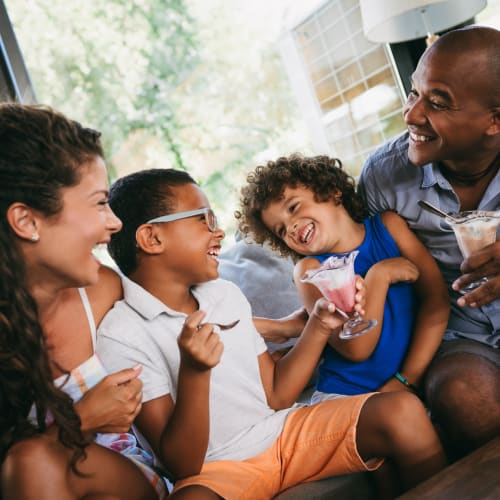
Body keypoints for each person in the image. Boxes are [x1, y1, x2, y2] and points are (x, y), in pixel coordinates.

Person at [96, 167, 447, 499]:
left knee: (402, 410)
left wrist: (319, 325)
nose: (217, 232)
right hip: (217, 469)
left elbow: (277, 395)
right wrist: (195, 372)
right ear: (152, 237)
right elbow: (181, 464)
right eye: (204, 220)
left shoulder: (224, 294)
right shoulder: (120, 335)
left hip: (283, 433)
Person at [0, 103, 166, 499]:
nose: (115, 222)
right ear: (27, 221)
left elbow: (177, 317)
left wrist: (284, 328)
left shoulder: (103, 289)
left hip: (126, 480)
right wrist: (84, 419)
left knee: (33, 461)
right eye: (98, 203)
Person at [357, 25, 500, 460]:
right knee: (461, 396)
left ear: (494, 120)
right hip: (463, 334)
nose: (413, 115)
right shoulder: (384, 177)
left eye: (437, 103)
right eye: (413, 93)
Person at [236, 154, 449, 403]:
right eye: (281, 230)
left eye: (293, 208)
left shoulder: (389, 227)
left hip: (408, 381)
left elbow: (437, 302)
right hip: (346, 394)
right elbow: (356, 349)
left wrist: (407, 378)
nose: (291, 227)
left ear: (333, 191)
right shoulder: (309, 270)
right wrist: (379, 277)